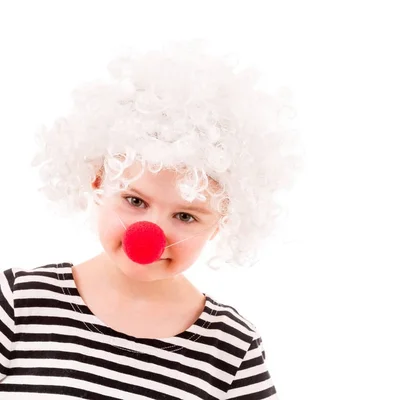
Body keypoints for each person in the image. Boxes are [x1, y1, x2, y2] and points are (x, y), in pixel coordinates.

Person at [0, 39, 303, 399]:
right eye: (134, 200)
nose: (151, 234)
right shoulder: (19, 301)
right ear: (98, 183)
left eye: (186, 216)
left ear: (221, 221)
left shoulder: (232, 350)